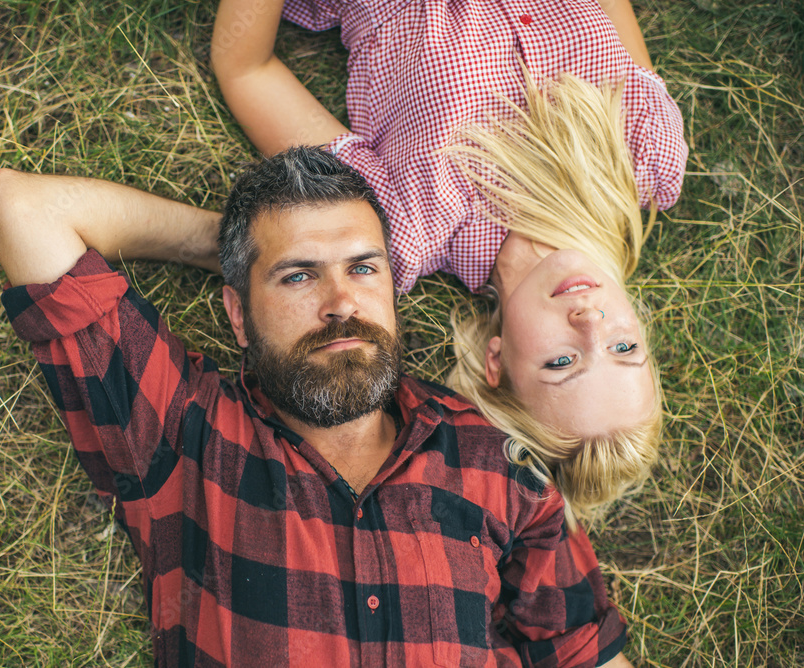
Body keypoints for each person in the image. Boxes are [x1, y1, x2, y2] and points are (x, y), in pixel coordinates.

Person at [0, 146, 634, 666]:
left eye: (363, 267)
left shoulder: (492, 459)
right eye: (298, 275)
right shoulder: (184, 432)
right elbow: (24, 210)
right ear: (238, 314)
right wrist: (228, 252)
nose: (341, 302)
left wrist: (278, 262)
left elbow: (583, 653)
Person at [210, 0, 688, 517]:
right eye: (623, 347)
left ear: (497, 362)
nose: (590, 323)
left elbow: (247, 68)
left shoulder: (403, 228)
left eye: (563, 361)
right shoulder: (647, 158)